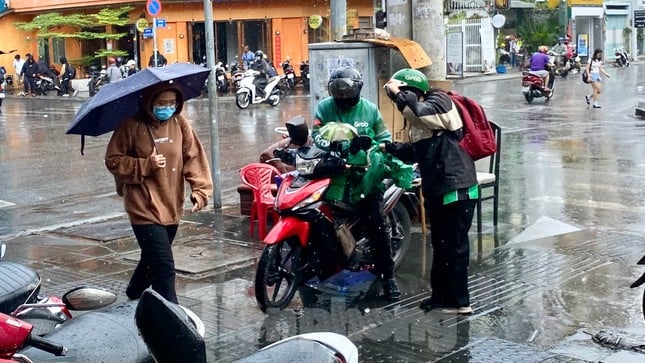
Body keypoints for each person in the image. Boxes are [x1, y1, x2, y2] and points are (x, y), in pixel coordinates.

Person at [105, 82, 213, 303]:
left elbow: (193, 156)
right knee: (164, 267)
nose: (168, 107)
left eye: (172, 103)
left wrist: (200, 190)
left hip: (172, 203)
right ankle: (172, 319)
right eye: (162, 103)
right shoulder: (131, 125)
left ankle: (134, 292)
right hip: (143, 207)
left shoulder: (179, 123)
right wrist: (145, 164)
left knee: (151, 259)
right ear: (149, 103)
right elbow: (113, 160)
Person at [382, 68, 478, 314]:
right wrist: (387, 147)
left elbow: (418, 112)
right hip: (439, 186)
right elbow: (417, 150)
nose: (397, 102)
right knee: (441, 243)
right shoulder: (423, 119)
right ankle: (441, 297)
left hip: (457, 186)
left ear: (412, 91)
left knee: (454, 245)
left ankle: (460, 302)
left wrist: (396, 93)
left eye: (401, 95)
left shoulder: (438, 101)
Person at [311, 67, 401, 301]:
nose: (341, 96)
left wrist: (369, 146)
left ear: (357, 90)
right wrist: (340, 147)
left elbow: (384, 139)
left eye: (346, 91)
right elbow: (317, 135)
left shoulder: (370, 110)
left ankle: (388, 276)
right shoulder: (324, 108)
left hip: (365, 180)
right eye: (337, 91)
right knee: (317, 219)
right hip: (334, 178)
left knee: (377, 227)